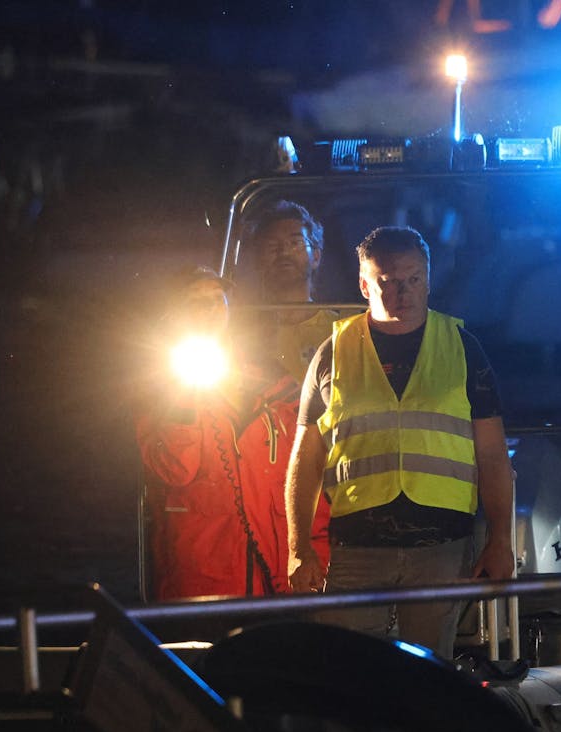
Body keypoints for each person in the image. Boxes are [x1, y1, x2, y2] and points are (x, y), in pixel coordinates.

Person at [285, 226, 514, 653]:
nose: (402, 294)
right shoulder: (332, 353)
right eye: (387, 282)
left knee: (431, 680)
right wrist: (299, 548)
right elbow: (306, 458)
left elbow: (493, 456)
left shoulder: (464, 349)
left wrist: (501, 541)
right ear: (364, 284)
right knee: (349, 675)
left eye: (413, 280)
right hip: (355, 547)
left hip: (443, 545)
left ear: (428, 279)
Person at [137, 267, 330, 601]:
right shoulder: (159, 389)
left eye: (216, 298)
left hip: (279, 574)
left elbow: (307, 471)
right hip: (204, 576)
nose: (208, 309)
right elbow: (175, 468)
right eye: (195, 302)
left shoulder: (273, 381)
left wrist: (316, 550)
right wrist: (182, 393)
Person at [243, 200, 343, 382]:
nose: (284, 252)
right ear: (258, 260)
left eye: (295, 242)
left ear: (316, 257)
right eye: (272, 245)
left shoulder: (341, 331)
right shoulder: (244, 334)